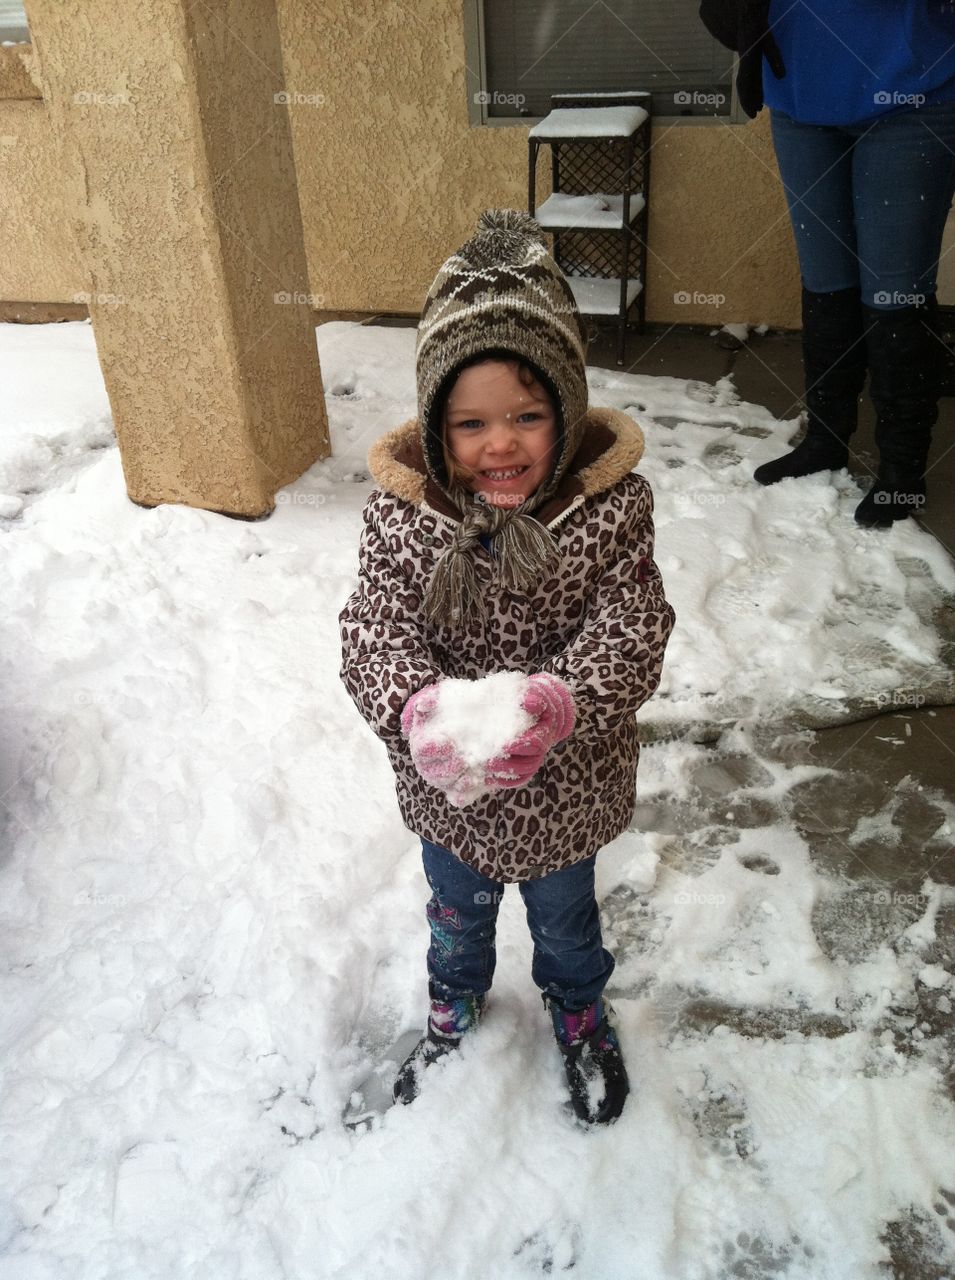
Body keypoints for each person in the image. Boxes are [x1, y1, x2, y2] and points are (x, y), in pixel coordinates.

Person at [339, 209, 675, 1125]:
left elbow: (632, 622)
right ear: (436, 430)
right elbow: (373, 622)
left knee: (566, 920)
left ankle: (576, 1007)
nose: (501, 445)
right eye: (472, 423)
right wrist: (413, 709)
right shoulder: (404, 518)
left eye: (527, 416)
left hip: (565, 784)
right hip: (451, 788)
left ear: (564, 411)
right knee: (456, 911)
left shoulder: (610, 511)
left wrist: (561, 703)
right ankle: (454, 999)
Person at [700, 0, 955, 526]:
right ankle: (827, 440)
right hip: (798, 90)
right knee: (826, 283)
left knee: (895, 294)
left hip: (912, 89)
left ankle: (902, 473)